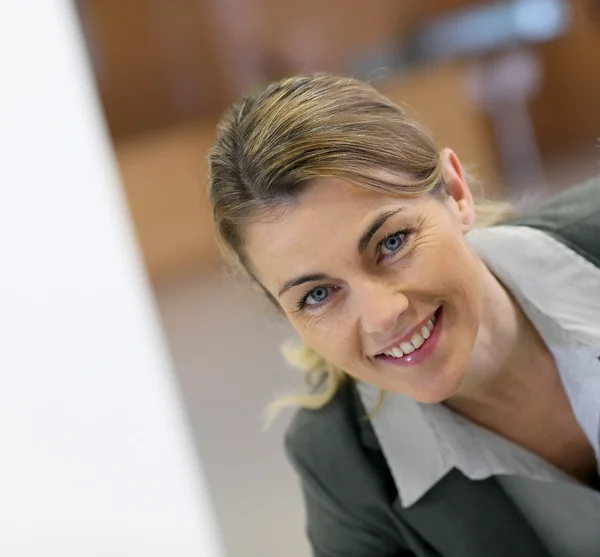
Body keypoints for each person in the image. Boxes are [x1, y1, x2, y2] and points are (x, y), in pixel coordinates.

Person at [208, 74, 600, 557]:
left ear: (456, 193)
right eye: (317, 295)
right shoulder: (344, 466)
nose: (382, 315)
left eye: (391, 243)